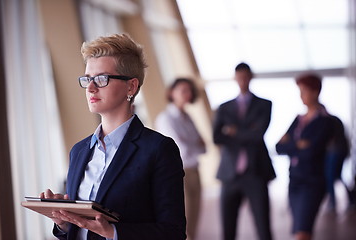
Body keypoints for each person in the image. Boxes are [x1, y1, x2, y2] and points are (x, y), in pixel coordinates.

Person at [39, 33, 186, 240]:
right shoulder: (79, 151)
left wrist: (113, 233)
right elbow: (79, 231)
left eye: (101, 78)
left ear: (131, 86)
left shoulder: (158, 149)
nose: (90, 87)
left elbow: (173, 232)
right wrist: (64, 222)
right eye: (87, 79)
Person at [213, 62, 275, 240]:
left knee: (263, 227)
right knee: (227, 229)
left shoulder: (264, 104)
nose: (242, 81)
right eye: (239, 77)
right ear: (235, 78)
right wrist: (248, 131)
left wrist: (233, 131)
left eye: (245, 77)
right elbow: (217, 137)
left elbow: (258, 135)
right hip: (229, 173)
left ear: (251, 77)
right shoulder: (224, 108)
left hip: (255, 172)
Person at [276, 73, 333, 240]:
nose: (301, 95)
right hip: (295, 180)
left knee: (303, 231)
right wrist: (299, 144)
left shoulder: (325, 121)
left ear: (315, 92)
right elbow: (278, 147)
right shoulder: (298, 119)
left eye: (304, 91)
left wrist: (291, 143)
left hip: (312, 181)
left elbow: (311, 151)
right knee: (300, 230)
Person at [155, 78, 206, 240]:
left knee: (195, 217)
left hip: (194, 170)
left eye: (189, 90)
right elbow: (180, 150)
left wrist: (191, 143)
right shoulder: (166, 118)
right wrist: (193, 144)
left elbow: (204, 146)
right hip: (179, 173)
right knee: (183, 219)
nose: (187, 94)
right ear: (172, 92)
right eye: (183, 90)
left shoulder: (188, 117)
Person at [323, 113, 350, 212]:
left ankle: (332, 203)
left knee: (330, 176)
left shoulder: (328, 121)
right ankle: (351, 199)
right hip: (339, 151)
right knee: (338, 176)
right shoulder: (334, 119)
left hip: (335, 151)